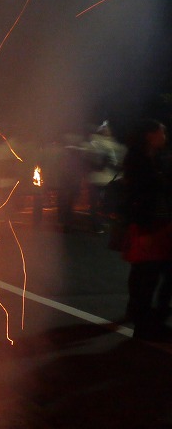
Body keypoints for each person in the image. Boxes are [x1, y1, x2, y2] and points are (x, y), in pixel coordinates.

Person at [121, 119, 172, 341]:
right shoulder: (138, 159)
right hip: (147, 225)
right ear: (150, 135)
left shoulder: (156, 158)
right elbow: (139, 195)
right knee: (146, 274)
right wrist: (145, 230)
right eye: (162, 132)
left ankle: (143, 314)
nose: (165, 136)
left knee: (148, 272)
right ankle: (143, 323)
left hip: (158, 224)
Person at [84, 121, 125, 233]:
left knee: (98, 203)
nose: (107, 130)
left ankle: (98, 224)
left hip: (100, 178)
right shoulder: (107, 143)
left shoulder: (95, 142)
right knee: (101, 203)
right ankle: (98, 224)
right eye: (105, 128)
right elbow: (117, 162)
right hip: (105, 179)